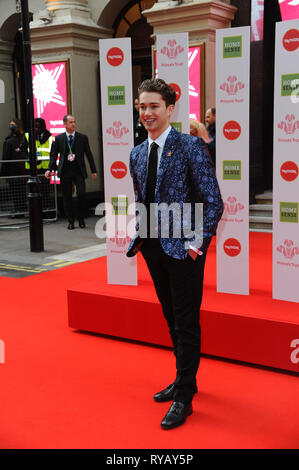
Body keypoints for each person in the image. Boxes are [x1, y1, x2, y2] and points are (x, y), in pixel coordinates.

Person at [126, 79, 223, 430]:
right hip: (152, 246)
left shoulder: (190, 146)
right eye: (142, 107)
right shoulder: (137, 153)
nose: (147, 113)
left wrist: (196, 246)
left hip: (184, 251)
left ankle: (184, 396)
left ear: (170, 109)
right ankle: (186, 380)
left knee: (185, 322)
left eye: (154, 106)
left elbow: (213, 201)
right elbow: (142, 199)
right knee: (170, 317)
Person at [45, 115, 97, 229]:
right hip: (65, 171)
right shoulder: (58, 139)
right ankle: (70, 221)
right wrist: (50, 169)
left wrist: (94, 170)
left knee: (82, 194)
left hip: (78, 170)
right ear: (65, 124)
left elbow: (89, 154)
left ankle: (81, 218)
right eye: (70, 122)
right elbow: (53, 155)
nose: (73, 124)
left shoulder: (82, 138)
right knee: (67, 197)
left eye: (74, 122)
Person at [23, 118, 54, 214]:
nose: (36, 129)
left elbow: (53, 152)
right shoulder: (28, 136)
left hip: (45, 168)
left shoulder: (49, 137)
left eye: (38, 127)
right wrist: (29, 158)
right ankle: (35, 212)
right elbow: (23, 149)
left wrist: (51, 167)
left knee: (45, 190)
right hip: (32, 169)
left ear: (42, 127)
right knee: (33, 190)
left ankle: (45, 211)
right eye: (34, 127)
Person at [1, 119, 27, 215]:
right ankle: (20, 209)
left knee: (16, 191)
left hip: (15, 171)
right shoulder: (22, 138)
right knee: (19, 191)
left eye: (12, 125)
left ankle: (19, 210)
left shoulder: (10, 141)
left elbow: (5, 157)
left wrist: (3, 172)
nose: (11, 127)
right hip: (20, 170)